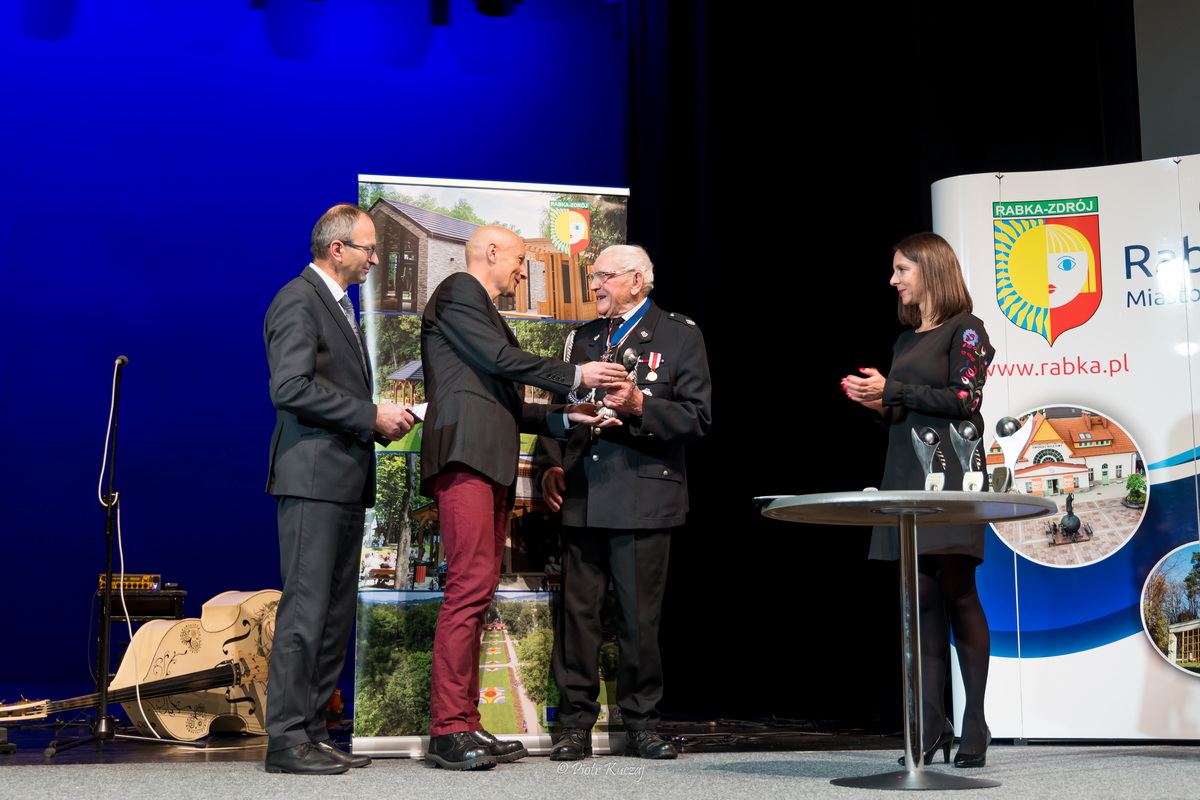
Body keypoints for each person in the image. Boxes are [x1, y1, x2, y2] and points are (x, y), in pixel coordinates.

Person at [420, 225, 628, 771]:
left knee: (478, 588)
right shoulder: (459, 291)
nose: (522, 271)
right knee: (468, 588)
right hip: (464, 458)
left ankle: (465, 722)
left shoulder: (482, 313)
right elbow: (501, 362)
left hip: (485, 461)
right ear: (491, 253)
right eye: (518, 260)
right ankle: (447, 730)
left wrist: (566, 413)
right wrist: (576, 375)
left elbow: (506, 401)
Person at [537, 244, 712, 761]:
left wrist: (641, 406)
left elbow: (698, 419)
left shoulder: (680, 334)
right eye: (594, 278)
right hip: (582, 492)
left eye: (603, 278)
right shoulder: (581, 338)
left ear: (636, 281)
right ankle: (574, 725)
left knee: (639, 620)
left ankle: (641, 721)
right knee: (578, 616)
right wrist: (550, 461)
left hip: (642, 494)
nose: (594, 287)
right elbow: (557, 405)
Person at [263, 204, 415, 775]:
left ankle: (313, 730)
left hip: (343, 482)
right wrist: (370, 415)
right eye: (369, 249)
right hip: (312, 479)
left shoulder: (337, 305)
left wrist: (375, 416)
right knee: (305, 613)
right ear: (336, 249)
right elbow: (291, 388)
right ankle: (284, 740)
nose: (376, 258)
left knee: (332, 615)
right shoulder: (298, 299)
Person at [841, 232, 994, 769]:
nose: (893, 279)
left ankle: (974, 718)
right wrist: (875, 401)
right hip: (905, 476)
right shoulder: (905, 340)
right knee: (920, 601)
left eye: (901, 269)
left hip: (952, 475)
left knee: (958, 593)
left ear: (931, 270)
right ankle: (931, 725)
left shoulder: (967, 330)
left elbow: (965, 399)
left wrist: (895, 392)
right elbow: (903, 409)